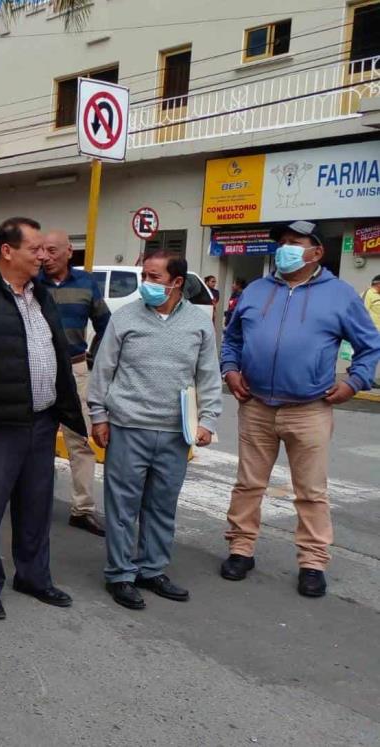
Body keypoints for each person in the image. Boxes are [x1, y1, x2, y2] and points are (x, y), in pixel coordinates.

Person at [220, 220, 380, 598]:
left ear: (316, 252)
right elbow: (233, 339)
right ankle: (241, 549)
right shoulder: (257, 290)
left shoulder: (340, 295)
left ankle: (312, 561)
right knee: (248, 484)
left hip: (310, 408)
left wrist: (354, 382)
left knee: (310, 491)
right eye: (281, 243)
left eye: (294, 243)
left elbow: (369, 346)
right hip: (256, 404)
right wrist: (229, 370)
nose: (284, 249)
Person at [0, 217, 86, 621]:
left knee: (36, 505)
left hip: (41, 423)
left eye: (45, 249)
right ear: (7, 251)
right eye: (35, 249)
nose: (43, 255)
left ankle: (33, 576)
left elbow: (54, 351)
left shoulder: (40, 295)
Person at [88, 250, 222, 610]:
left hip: (175, 431)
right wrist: (99, 416)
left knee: (162, 505)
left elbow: (208, 374)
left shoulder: (198, 323)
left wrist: (208, 420)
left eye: (154, 277)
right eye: (144, 275)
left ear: (176, 283)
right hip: (128, 426)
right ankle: (120, 573)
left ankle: (152, 569)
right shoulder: (125, 318)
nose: (145, 283)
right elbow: (103, 370)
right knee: (122, 506)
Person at [40, 229, 110, 536]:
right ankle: (33, 501)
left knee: (79, 440)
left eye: (53, 251)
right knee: (36, 439)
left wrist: (94, 359)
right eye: (42, 251)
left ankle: (82, 509)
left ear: (70, 251)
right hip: (38, 372)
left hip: (75, 371)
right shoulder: (31, 283)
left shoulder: (86, 284)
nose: (46, 257)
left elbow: (106, 325)